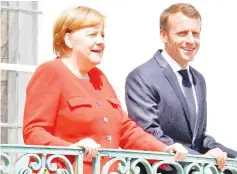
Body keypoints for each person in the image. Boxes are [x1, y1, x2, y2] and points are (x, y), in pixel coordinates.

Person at [22, 6, 188, 174]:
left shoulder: (99, 77)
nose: (101, 41)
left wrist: (163, 150)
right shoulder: (50, 72)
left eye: (102, 35)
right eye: (92, 34)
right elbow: (34, 132)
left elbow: (125, 130)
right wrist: (71, 149)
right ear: (69, 40)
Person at [125, 2, 237, 174]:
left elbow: (196, 138)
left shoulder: (199, 80)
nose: (191, 40)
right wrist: (202, 160)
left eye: (196, 33)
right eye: (182, 33)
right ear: (164, 35)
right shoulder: (141, 77)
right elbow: (151, 134)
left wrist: (222, 153)